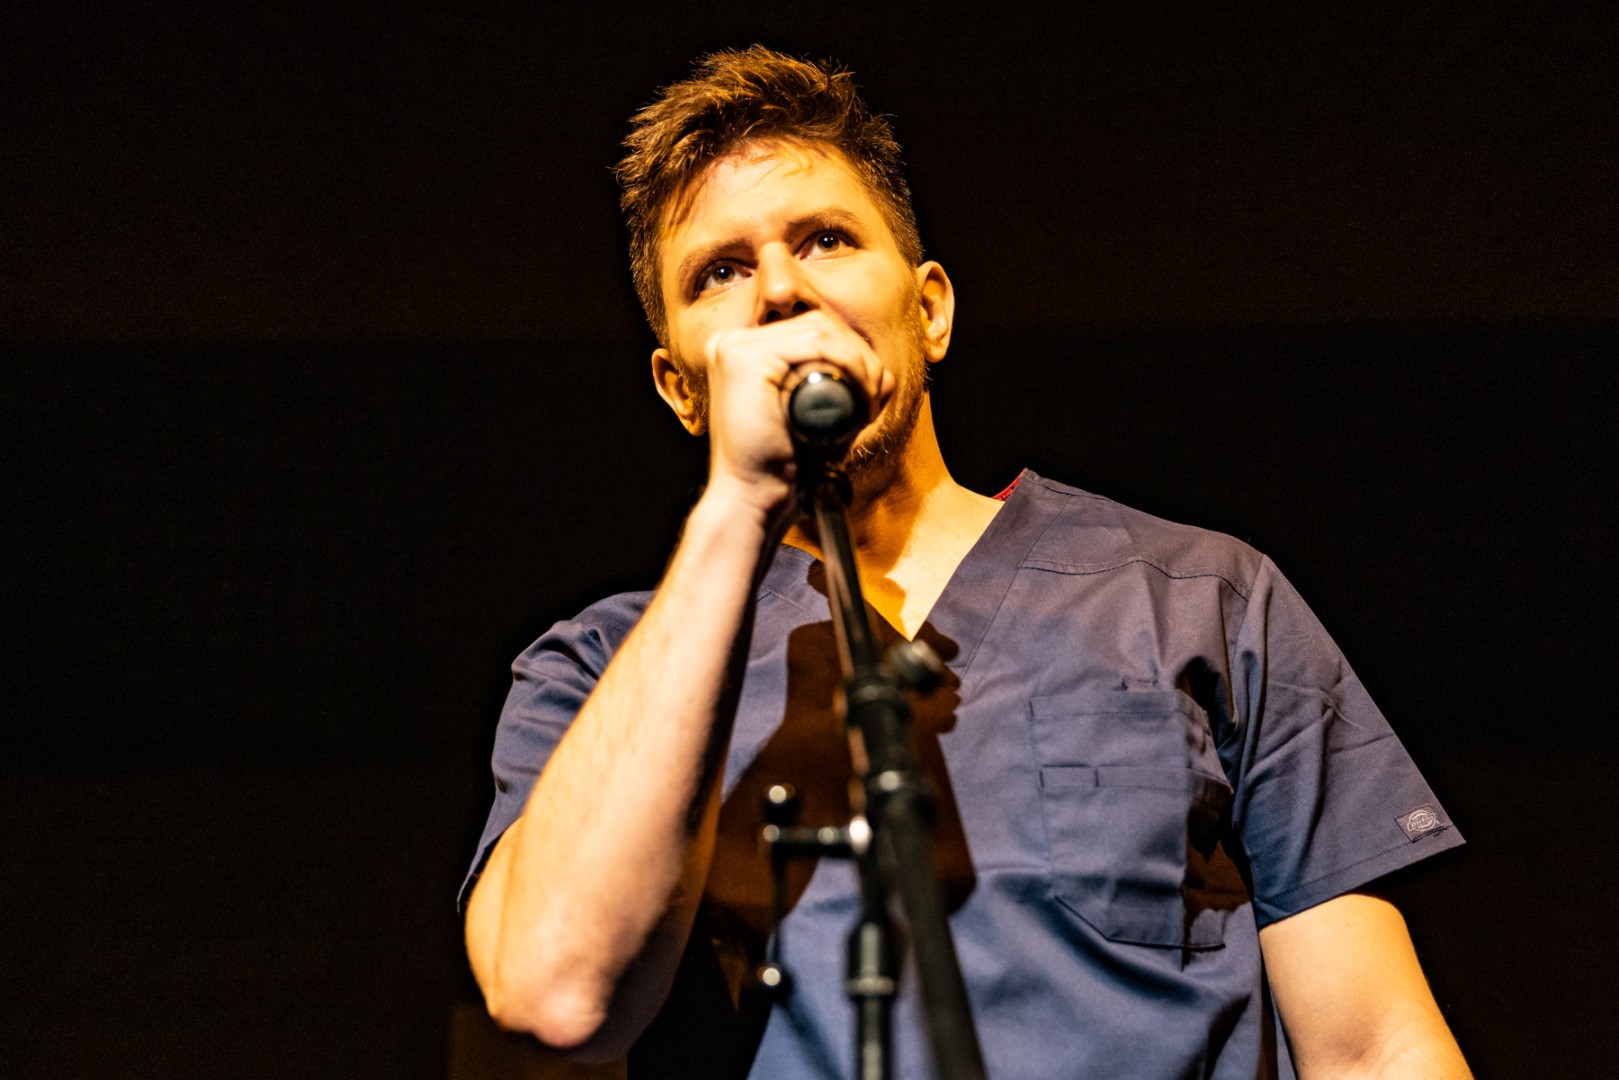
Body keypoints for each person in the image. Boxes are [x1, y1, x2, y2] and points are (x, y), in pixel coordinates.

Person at [461, 46, 1471, 1079]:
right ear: (681, 389)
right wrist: (737, 503)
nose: (780, 290)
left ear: (930, 310)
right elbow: (555, 991)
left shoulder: (1203, 599)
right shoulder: (594, 670)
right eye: (718, 272)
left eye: (824, 239)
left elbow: (1372, 1049)